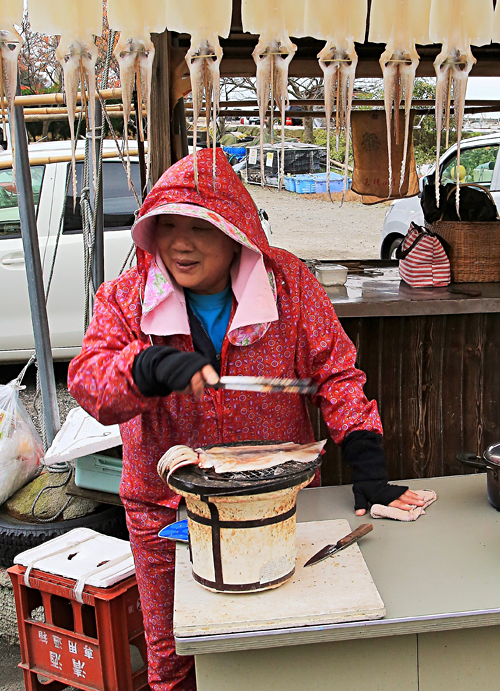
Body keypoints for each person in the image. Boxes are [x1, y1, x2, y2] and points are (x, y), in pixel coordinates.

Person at [68, 148, 424, 691]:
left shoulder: (288, 283)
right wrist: (146, 366)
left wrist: (366, 460)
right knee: (177, 654)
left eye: (199, 227)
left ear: (235, 232)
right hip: (168, 514)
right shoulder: (128, 297)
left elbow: (336, 373)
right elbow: (90, 383)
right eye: (167, 227)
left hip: (280, 505)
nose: (179, 244)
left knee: (284, 641)